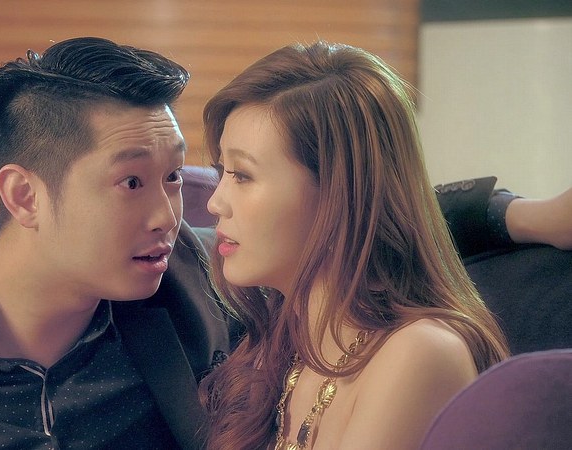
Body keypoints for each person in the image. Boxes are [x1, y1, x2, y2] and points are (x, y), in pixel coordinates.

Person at [0, 36, 560, 450]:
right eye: (132, 183)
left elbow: (352, 218)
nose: (174, 213)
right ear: (24, 195)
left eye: (176, 177)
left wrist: (516, 215)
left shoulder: (192, 278)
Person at [198, 41, 510, 450]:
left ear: (338, 193)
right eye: (221, 171)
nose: (215, 202)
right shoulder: (284, 347)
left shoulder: (418, 353)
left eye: (242, 175)